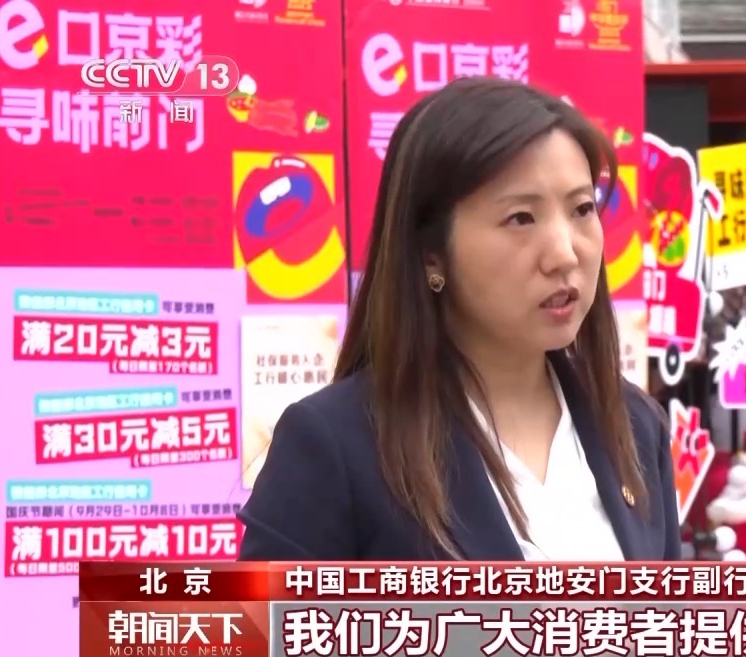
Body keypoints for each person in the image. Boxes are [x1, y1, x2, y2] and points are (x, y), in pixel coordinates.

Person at [237, 78, 679, 561]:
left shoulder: (636, 427)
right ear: (432, 253)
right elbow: (265, 612)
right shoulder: (335, 446)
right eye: (521, 218)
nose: (565, 253)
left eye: (582, 209)